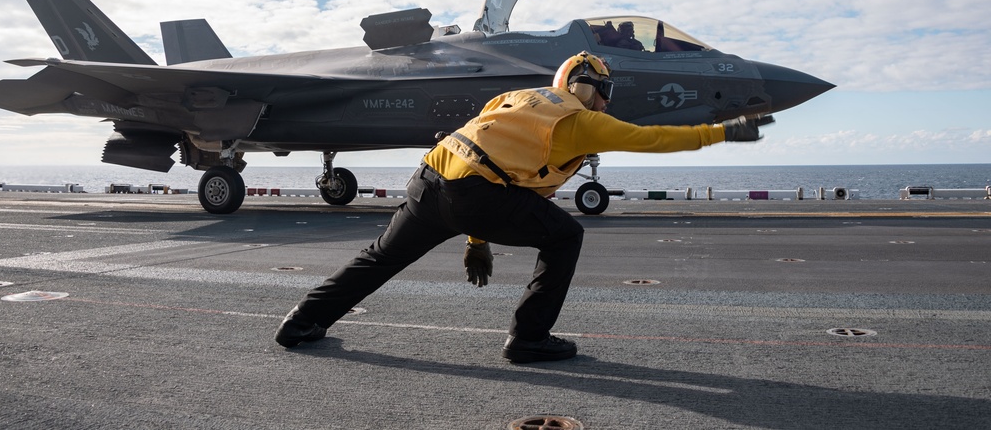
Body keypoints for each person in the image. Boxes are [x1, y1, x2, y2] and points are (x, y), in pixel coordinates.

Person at [275, 51, 772, 362]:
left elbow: (486, 156)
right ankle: (529, 339)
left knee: (380, 257)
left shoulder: (513, 97)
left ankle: (301, 321)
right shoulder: (579, 119)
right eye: (604, 91)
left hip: (428, 182)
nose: (605, 102)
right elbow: (652, 138)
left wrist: (474, 240)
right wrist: (722, 131)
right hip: (475, 196)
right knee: (565, 236)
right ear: (585, 85)